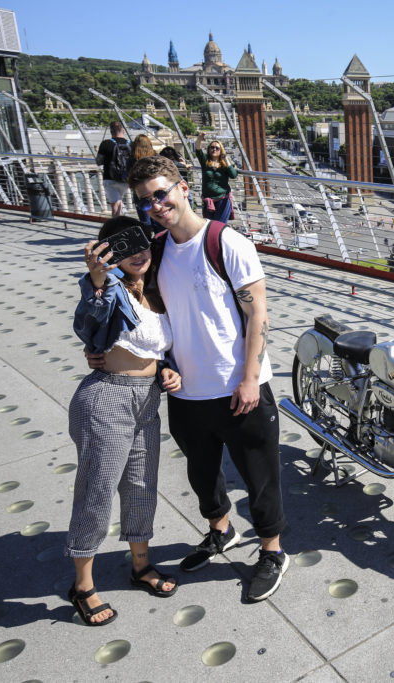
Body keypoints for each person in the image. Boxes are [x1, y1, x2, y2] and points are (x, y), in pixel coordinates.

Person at [96, 154, 285, 602]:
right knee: (202, 475)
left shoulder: (226, 242)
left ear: (183, 188)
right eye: (146, 201)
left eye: (161, 194)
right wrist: (116, 350)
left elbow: (258, 311)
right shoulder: (156, 251)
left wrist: (249, 377)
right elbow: (146, 308)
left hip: (238, 387)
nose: (156, 206)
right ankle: (221, 530)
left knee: (259, 476)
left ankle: (273, 551)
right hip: (185, 392)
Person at [68, 216, 182, 625]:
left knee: (140, 488)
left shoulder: (154, 291)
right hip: (107, 399)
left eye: (143, 246)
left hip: (147, 402)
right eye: (126, 248)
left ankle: (140, 566)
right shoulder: (109, 286)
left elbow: (152, 345)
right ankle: (83, 587)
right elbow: (89, 323)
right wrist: (97, 281)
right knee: (96, 493)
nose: (139, 254)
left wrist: (166, 367)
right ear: (109, 253)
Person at [195, 132, 237, 223]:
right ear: (209, 149)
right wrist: (199, 138)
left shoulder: (224, 164)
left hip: (223, 199)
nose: (214, 149)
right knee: (209, 225)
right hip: (208, 200)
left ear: (221, 150)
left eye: (217, 148)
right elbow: (198, 150)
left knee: (219, 226)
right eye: (212, 147)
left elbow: (233, 175)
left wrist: (225, 159)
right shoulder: (205, 161)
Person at [96, 122, 131, 217]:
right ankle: (121, 223)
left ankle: (116, 227)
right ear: (123, 131)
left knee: (115, 205)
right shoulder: (130, 144)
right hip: (125, 179)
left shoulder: (106, 143)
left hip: (110, 178)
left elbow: (99, 161)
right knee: (120, 202)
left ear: (111, 132)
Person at [130, 135, 155, 228]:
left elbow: (128, 177)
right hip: (154, 191)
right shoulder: (154, 157)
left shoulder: (132, 160)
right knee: (157, 217)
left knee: (144, 220)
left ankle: (147, 239)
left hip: (139, 193)